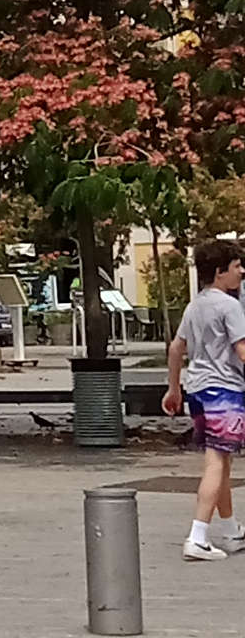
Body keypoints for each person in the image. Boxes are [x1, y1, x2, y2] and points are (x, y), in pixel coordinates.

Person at [164, 238, 245, 561]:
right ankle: (197, 536)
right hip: (224, 390)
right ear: (219, 272)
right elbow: (242, 350)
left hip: (198, 390)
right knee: (216, 462)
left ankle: (230, 530)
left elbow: (175, 348)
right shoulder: (229, 305)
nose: (241, 271)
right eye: (236, 266)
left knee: (221, 459)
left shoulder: (195, 304)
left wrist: (173, 389)